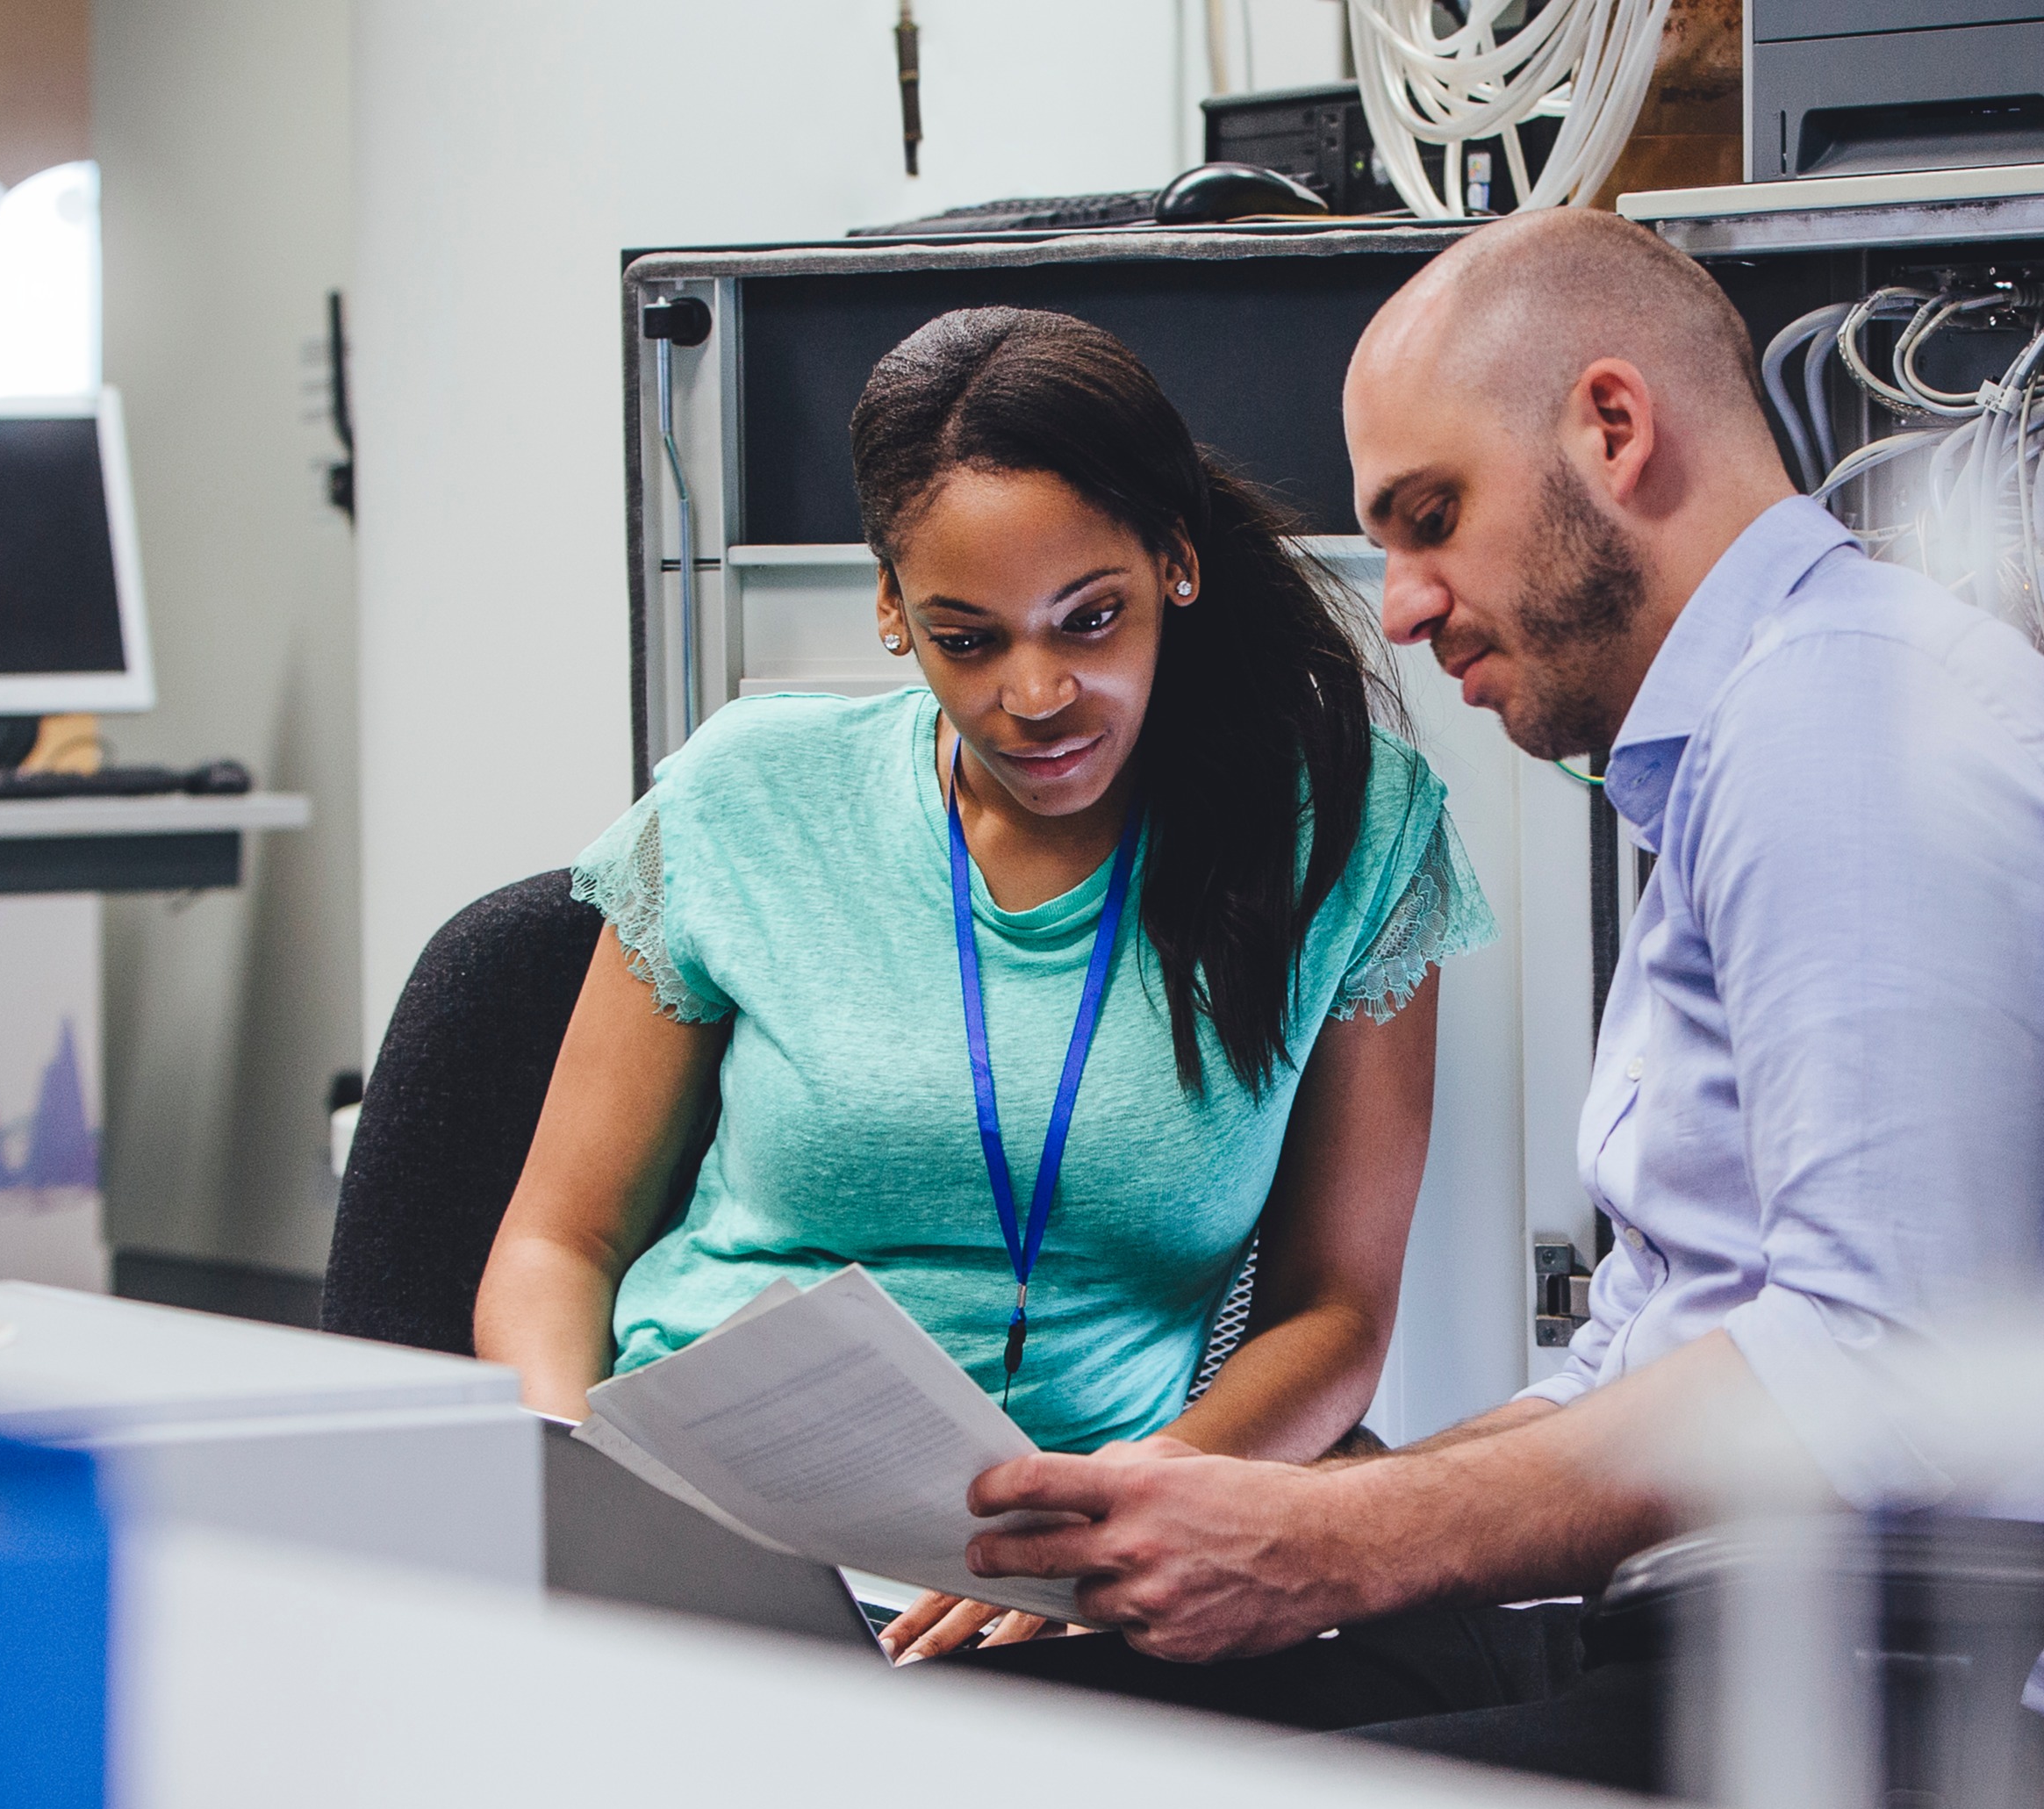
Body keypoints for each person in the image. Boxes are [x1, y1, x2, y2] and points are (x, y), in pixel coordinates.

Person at [943, 209, 2044, 1809]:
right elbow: (1650, 1363)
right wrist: (1203, 1521)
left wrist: (1332, 1539)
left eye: (1431, 521)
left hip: (1989, 1753)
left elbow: (1876, 1367)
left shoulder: (1850, 728)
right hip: (1758, 1661)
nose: (1412, 608)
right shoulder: (1763, 737)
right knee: (1003, 1744)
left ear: (1612, 426)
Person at [479, 307, 1494, 1662]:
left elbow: (1336, 1312)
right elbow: (559, 1240)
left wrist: (1132, 1513)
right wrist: (576, 1496)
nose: (1038, 694)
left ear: (1174, 563)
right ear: (892, 611)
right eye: (969, 639)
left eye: (1091, 619)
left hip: (1082, 1577)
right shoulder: (749, 797)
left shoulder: (1350, 837)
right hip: (713, 1542)